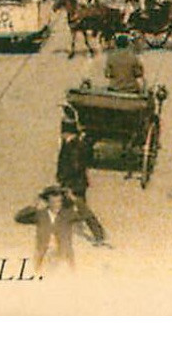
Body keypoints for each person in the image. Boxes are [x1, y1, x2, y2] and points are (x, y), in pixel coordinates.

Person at [56, 112, 107, 246]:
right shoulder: (73, 143)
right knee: (66, 207)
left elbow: (74, 167)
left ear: (67, 132)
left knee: (83, 209)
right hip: (74, 182)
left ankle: (99, 234)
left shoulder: (73, 147)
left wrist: (68, 184)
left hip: (74, 183)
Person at [32, 185, 77, 274]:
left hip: (63, 253)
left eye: (59, 202)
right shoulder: (41, 214)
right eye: (53, 202)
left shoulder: (67, 215)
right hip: (45, 253)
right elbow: (20, 217)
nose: (56, 205)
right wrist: (35, 206)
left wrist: (75, 200)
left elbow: (86, 214)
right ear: (48, 203)